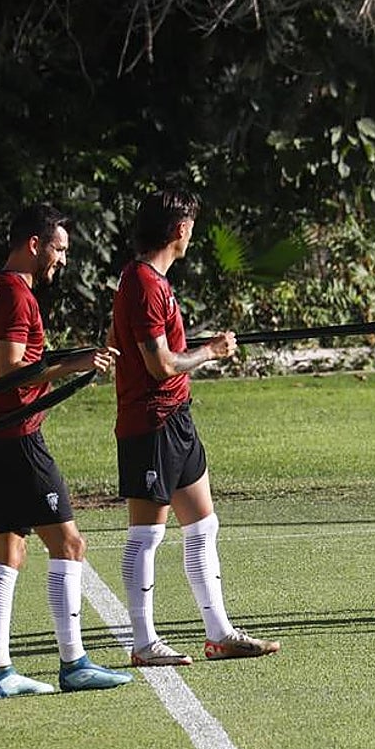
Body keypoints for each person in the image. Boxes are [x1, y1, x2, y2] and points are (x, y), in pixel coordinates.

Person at [0, 204, 133, 698]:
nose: (62, 260)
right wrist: (76, 363)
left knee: (8, 551)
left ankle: (1, 673)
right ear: (34, 244)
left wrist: (50, 366)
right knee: (70, 545)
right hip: (18, 440)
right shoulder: (17, 293)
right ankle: (74, 663)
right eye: (59, 249)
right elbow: (11, 369)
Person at [111, 188, 279, 666]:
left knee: (203, 525)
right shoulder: (144, 282)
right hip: (151, 423)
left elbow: (125, 343)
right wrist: (211, 351)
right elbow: (162, 364)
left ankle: (219, 634)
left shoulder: (149, 280)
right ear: (180, 229)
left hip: (177, 418)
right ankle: (143, 643)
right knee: (146, 535)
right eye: (191, 227)